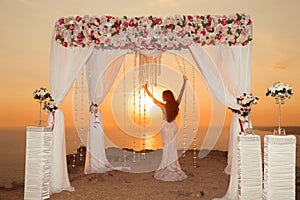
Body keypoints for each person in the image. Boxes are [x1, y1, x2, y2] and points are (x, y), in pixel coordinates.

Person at [143, 75, 188, 181]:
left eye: (163, 96)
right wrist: (184, 82)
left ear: (166, 97)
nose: (162, 97)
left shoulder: (163, 106)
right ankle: (173, 164)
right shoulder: (176, 105)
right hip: (173, 127)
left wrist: (146, 89)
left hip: (165, 128)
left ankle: (167, 164)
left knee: (166, 147)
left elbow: (153, 99)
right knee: (172, 146)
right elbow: (181, 94)